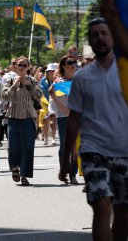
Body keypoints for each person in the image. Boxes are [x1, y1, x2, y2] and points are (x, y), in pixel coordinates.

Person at [59, 18, 128, 241]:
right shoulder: (82, 77)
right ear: (90, 40)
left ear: (112, 37)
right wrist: (65, 160)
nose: (100, 38)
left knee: (123, 213)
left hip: (124, 150)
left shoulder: (125, 70)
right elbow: (73, 120)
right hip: (93, 151)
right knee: (101, 205)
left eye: (104, 33)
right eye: (95, 34)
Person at [2, 57, 42, 186]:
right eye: (19, 65)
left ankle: (24, 175)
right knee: (13, 146)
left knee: (28, 147)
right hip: (13, 117)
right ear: (15, 66)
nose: (22, 67)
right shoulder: (9, 80)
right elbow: (5, 96)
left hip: (29, 118)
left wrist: (28, 85)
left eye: (25, 65)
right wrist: (15, 84)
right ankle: (14, 167)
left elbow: (39, 96)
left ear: (28, 67)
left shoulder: (33, 80)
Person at [48, 55, 78, 184]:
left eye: (74, 62)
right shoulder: (59, 83)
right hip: (64, 117)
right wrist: (52, 115)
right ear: (64, 65)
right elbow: (55, 101)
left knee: (76, 147)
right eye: (70, 63)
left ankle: (73, 174)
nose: (73, 65)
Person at [39, 63, 57, 145]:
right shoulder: (43, 80)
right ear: (47, 72)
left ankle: (53, 138)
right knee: (46, 120)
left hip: (54, 102)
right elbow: (43, 90)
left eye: (53, 71)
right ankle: (46, 137)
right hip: (45, 102)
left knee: (53, 120)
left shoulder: (57, 79)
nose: (52, 72)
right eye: (50, 71)